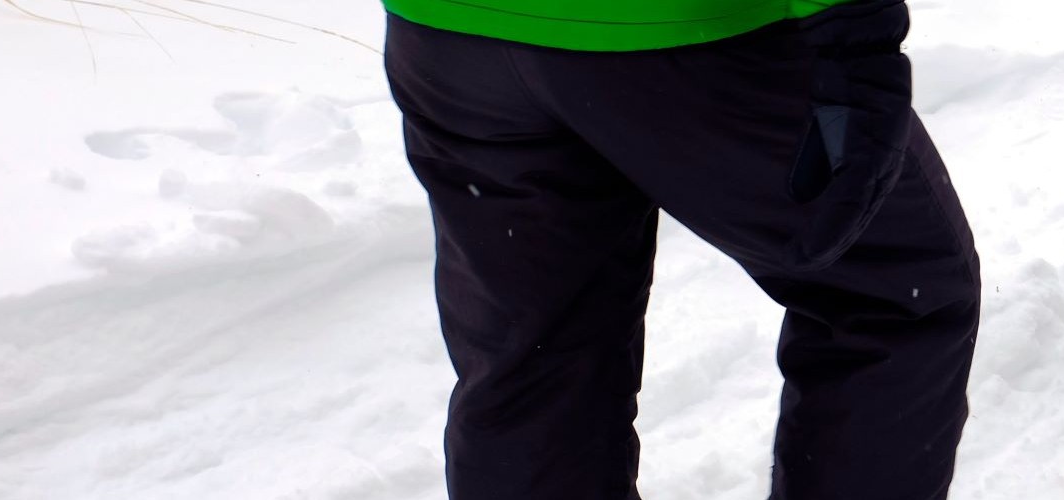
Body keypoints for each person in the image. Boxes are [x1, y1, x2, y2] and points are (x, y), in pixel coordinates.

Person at [379, 0, 980, 497]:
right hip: (677, 31)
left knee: (539, 353)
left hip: (449, 38)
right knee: (892, 289)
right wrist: (852, 25)